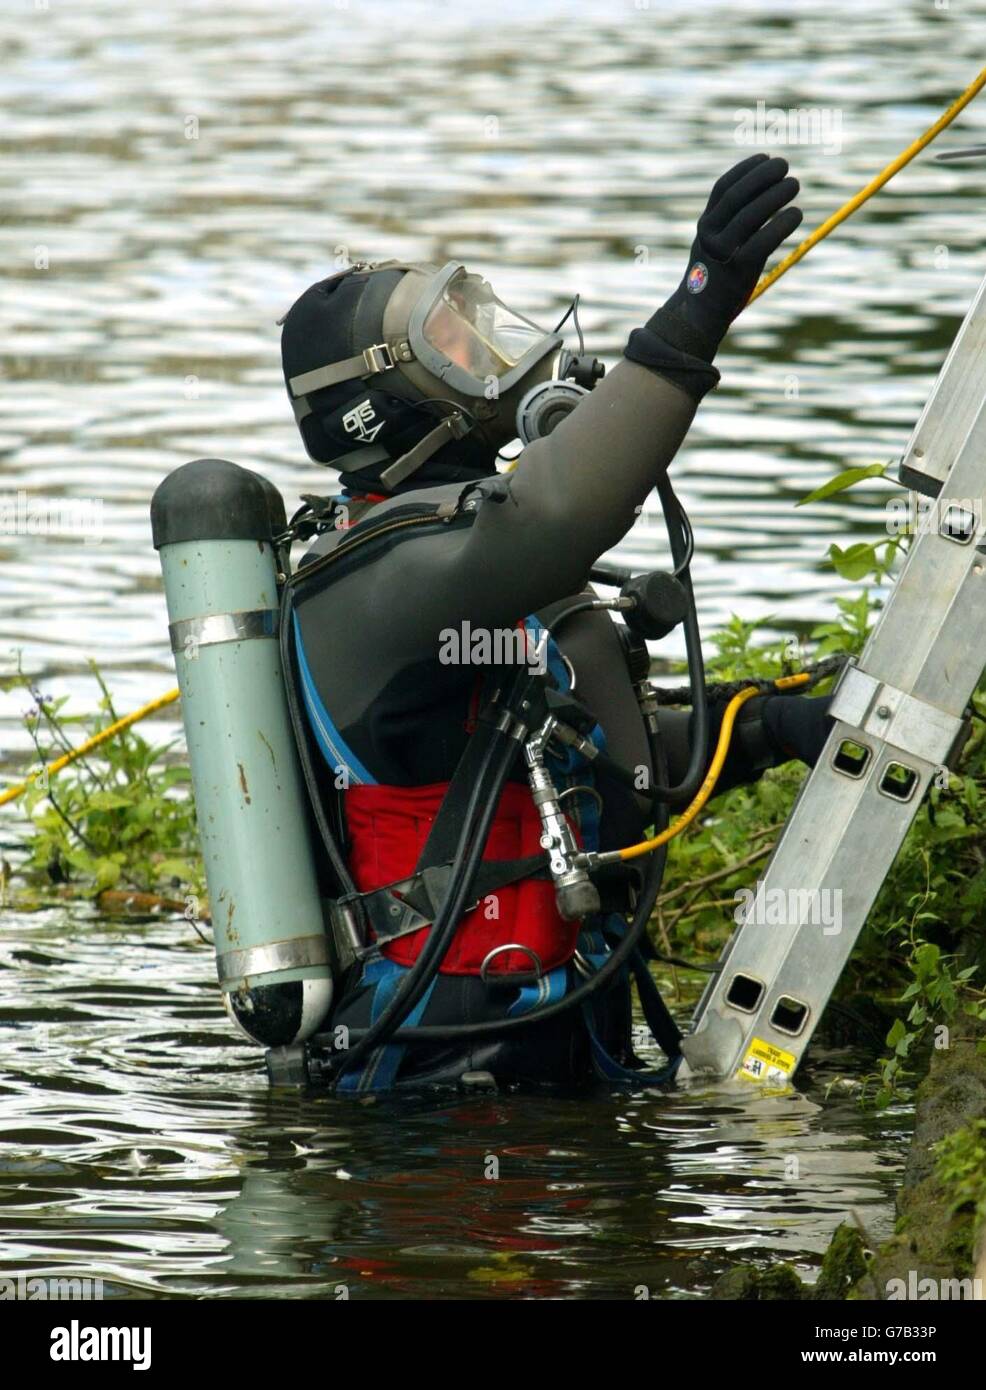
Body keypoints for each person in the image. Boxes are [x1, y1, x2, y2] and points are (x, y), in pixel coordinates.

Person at [277, 154, 832, 1093]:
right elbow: (555, 515)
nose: (486, 352)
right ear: (380, 399)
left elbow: (595, 755)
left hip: (539, 1027)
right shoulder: (378, 579)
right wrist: (697, 307)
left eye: (473, 319)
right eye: (452, 342)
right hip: (440, 1075)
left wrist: (770, 726)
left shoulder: (458, 555)